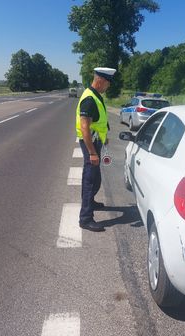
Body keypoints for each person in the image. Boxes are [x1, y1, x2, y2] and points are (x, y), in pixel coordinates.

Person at [76, 67, 116, 232]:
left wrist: (103, 135)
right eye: (107, 83)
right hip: (90, 144)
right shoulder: (89, 99)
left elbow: (98, 121)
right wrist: (92, 152)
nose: (108, 87)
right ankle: (85, 218)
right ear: (100, 80)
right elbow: (85, 128)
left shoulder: (96, 95)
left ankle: (91, 202)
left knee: (96, 177)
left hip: (95, 141)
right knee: (90, 180)